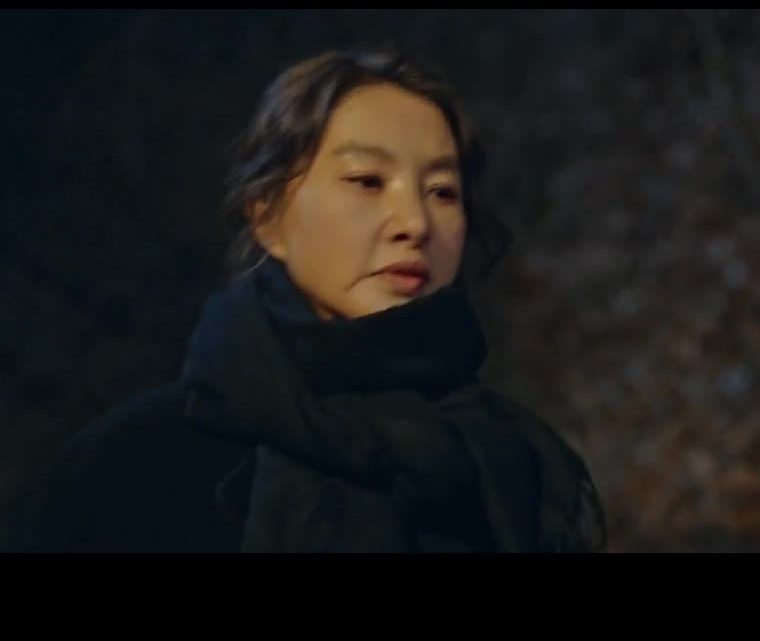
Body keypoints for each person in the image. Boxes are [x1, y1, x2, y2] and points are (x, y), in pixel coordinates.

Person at [13, 49, 607, 553]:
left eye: (442, 191)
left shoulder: (524, 470)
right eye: (367, 181)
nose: (414, 222)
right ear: (267, 215)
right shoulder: (129, 466)